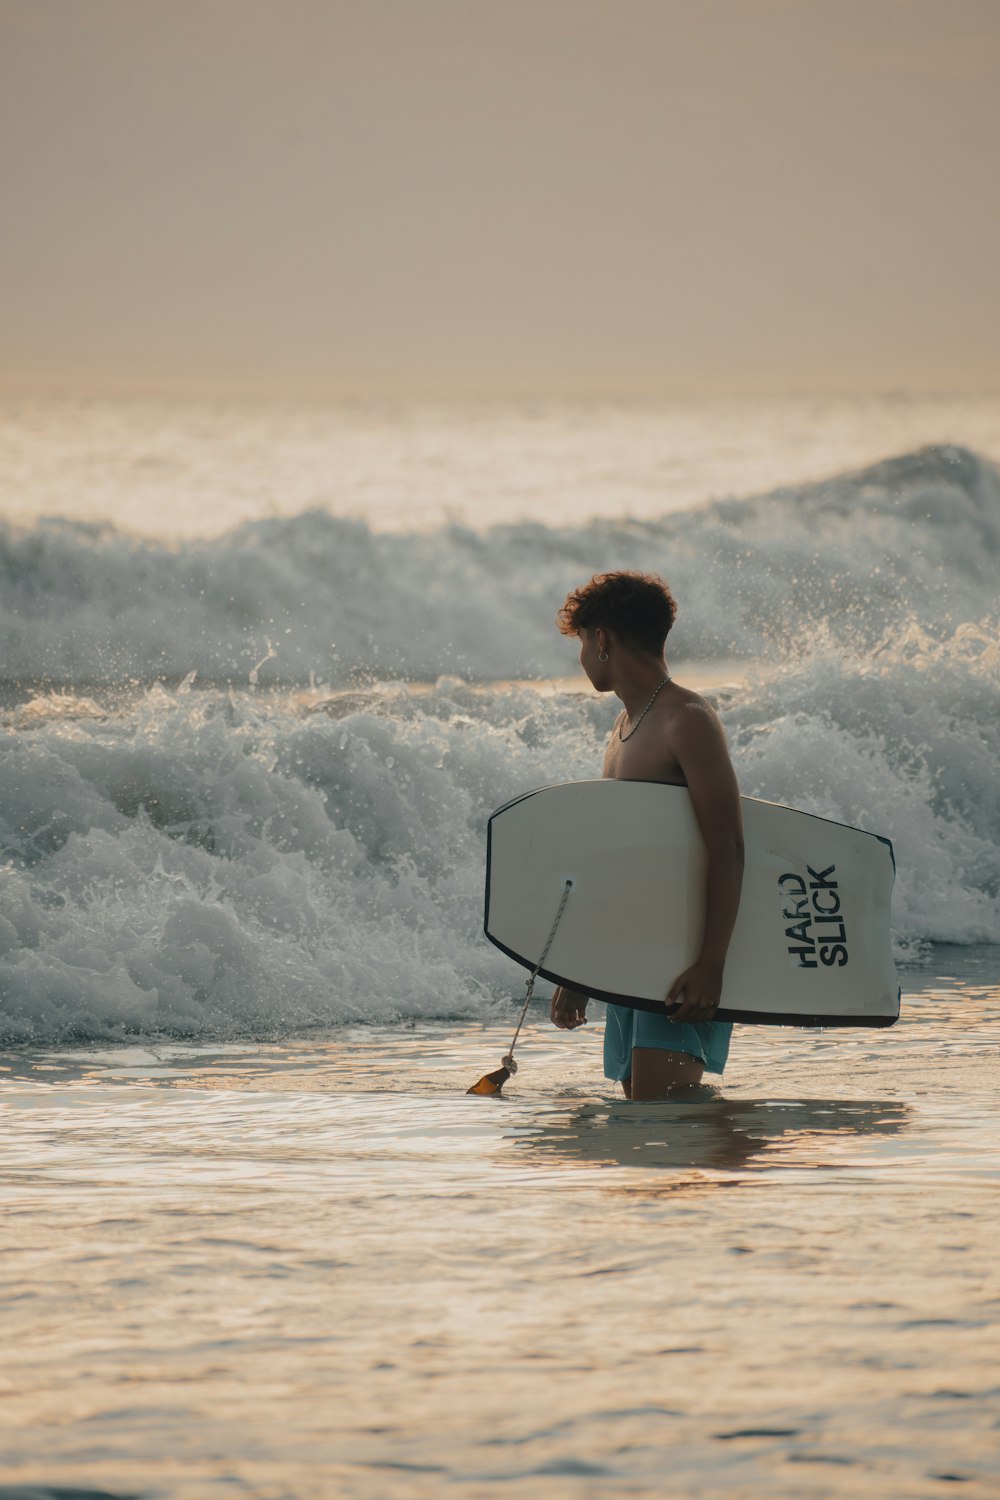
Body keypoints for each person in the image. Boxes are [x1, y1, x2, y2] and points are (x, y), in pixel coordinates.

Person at [550, 571, 745, 1100]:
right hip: (633, 956)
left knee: (664, 1122)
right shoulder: (621, 731)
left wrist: (711, 965)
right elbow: (622, 865)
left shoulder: (687, 720)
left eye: (582, 644)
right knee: (643, 1122)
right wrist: (581, 972)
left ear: (603, 639)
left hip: (680, 959)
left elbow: (728, 847)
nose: (583, 659)